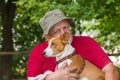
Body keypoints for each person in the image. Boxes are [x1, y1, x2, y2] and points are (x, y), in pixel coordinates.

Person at [26, 9, 118, 80]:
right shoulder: (38, 51)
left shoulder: (87, 42)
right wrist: (51, 77)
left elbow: (110, 70)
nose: (63, 33)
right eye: (57, 31)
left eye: (65, 27)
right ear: (49, 37)